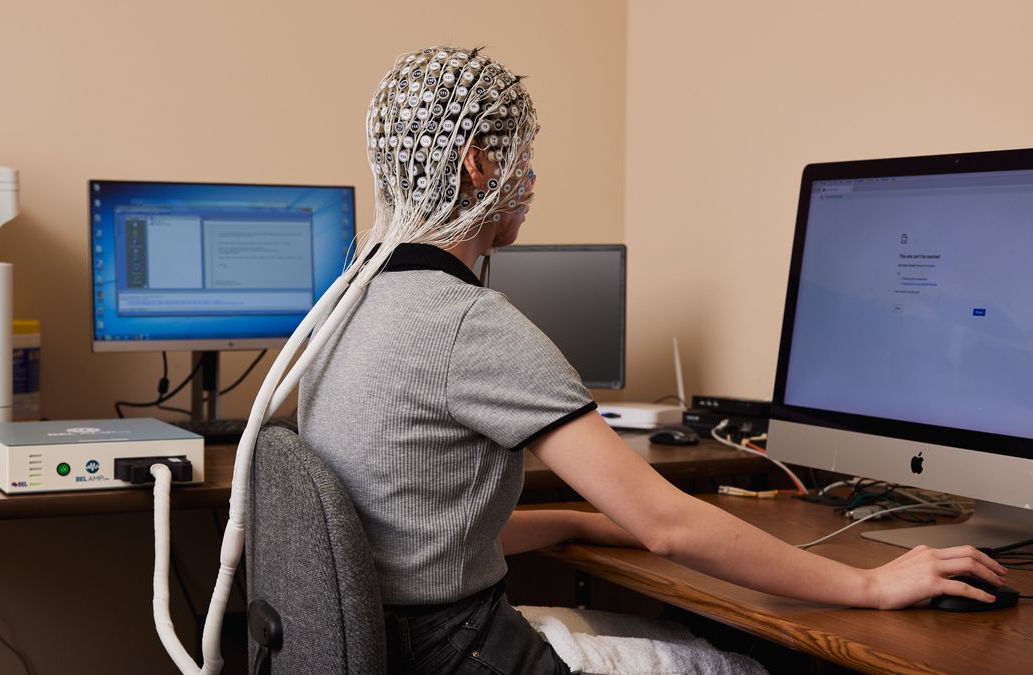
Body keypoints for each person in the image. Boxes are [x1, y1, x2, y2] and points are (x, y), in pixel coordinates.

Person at [298, 46, 1007, 674]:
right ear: (478, 165)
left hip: (402, 644)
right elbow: (667, 526)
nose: (531, 180)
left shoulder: (348, 305)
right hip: (463, 651)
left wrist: (576, 521)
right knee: (757, 659)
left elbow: (411, 531)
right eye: (522, 158)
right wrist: (872, 583)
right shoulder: (468, 323)